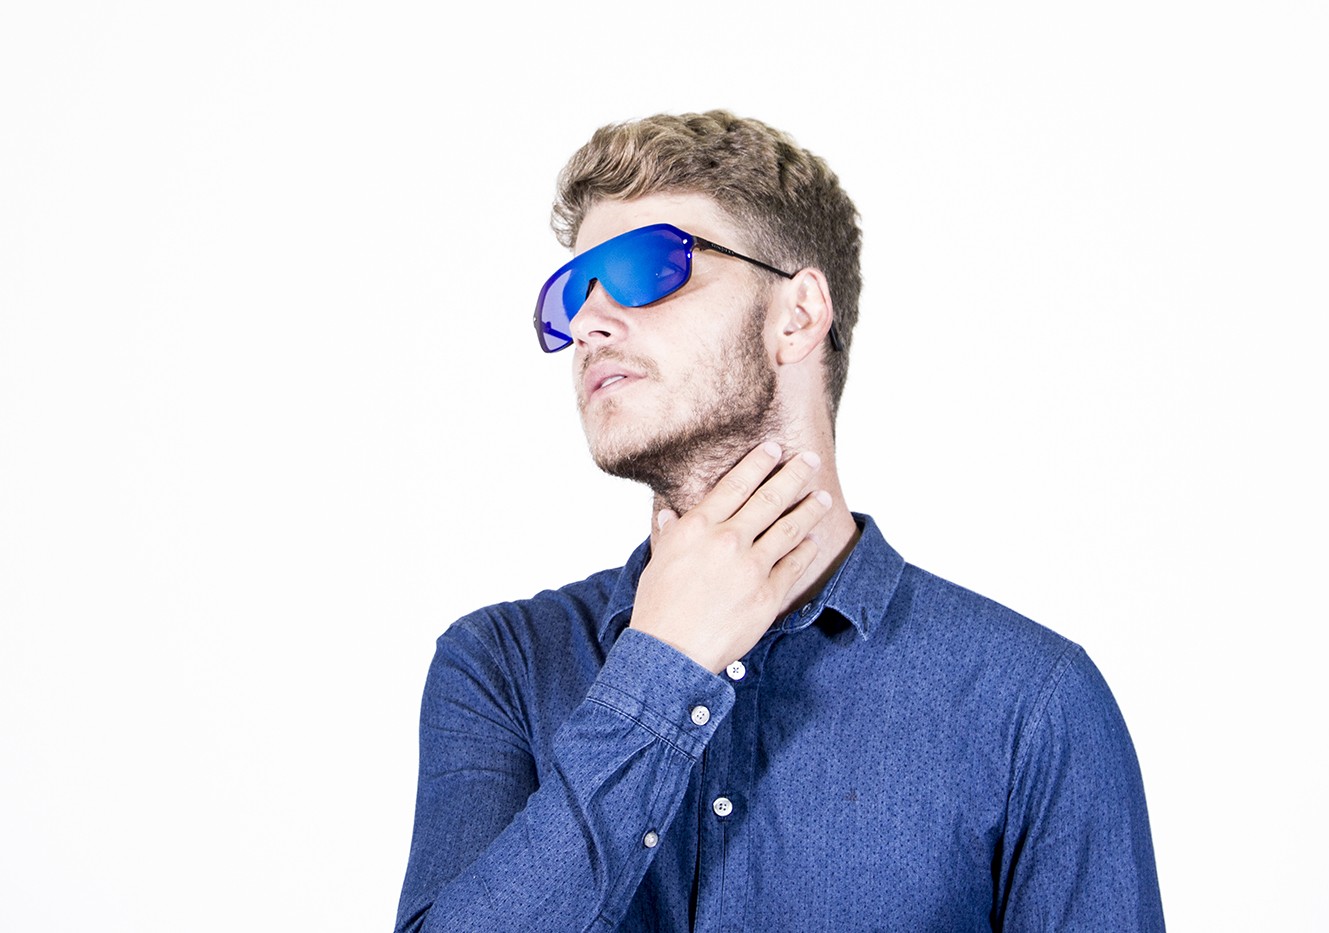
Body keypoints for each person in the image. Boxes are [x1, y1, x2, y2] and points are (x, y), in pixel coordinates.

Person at [394, 111, 1164, 932]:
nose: (588, 323)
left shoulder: (1032, 703)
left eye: (645, 269)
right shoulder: (502, 667)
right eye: (572, 294)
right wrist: (659, 670)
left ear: (797, 315)